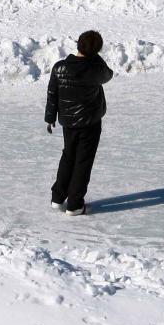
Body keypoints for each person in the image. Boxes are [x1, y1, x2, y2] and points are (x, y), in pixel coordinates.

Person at [44, 29, 112, 215]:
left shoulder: (60, 67)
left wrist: (50, 118)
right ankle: (74, 204)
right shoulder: (95, 68)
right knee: (83, 161)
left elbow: (52, 94)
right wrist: (96, 58)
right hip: (90, 123)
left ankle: (58, 197)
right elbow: (108, 75)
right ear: (96, 50)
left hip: (68, 122)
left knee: (68, 156)